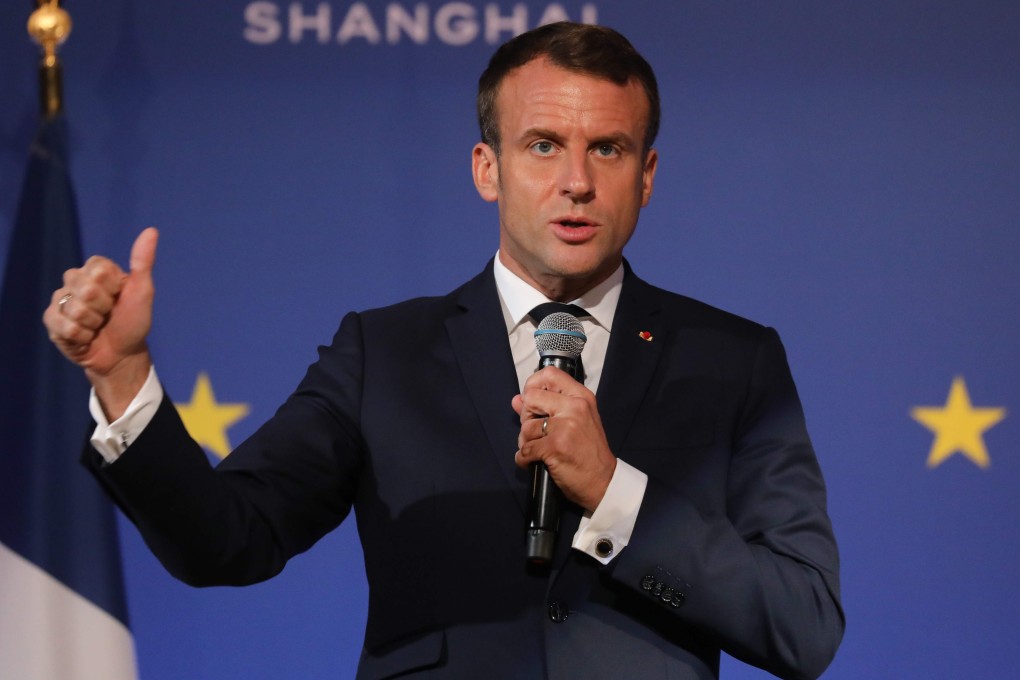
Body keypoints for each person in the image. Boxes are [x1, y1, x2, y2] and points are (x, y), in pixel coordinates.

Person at [43, 22, 843, 680]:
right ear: (486, 169)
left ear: (647, 175)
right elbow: (226, 538)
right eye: (541, 145)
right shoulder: (383, 352)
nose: (576, 181)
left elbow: (803, 626)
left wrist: (612, 492)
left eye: (608, 149)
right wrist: (122, 375)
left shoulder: (733, 360)